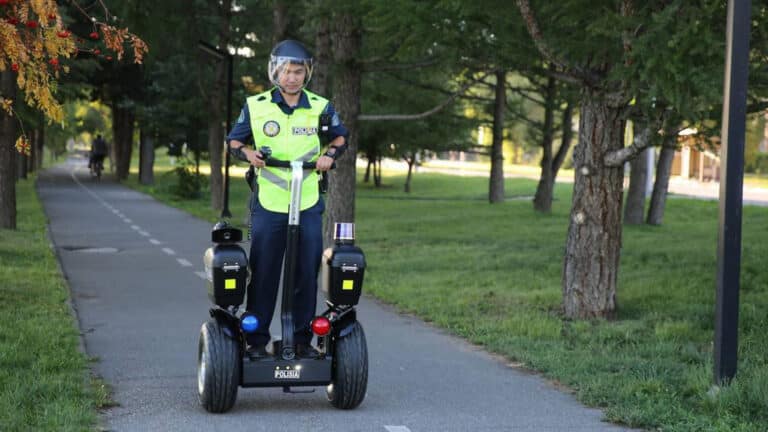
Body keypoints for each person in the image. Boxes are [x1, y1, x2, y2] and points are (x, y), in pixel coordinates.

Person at [226, 40, 349, 359]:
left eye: (297, 71)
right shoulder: (256, 105)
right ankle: (255, 342)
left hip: (307, 203)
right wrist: (248, 154)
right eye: (285, 71)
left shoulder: (321, 106)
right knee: (264, 272)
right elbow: (234, 142)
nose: (291, 77)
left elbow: (340, 137)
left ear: (306, 73)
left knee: (305, 272)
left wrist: (330, 155)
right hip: (269, 204)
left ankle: (300, 340)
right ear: (274, 72)